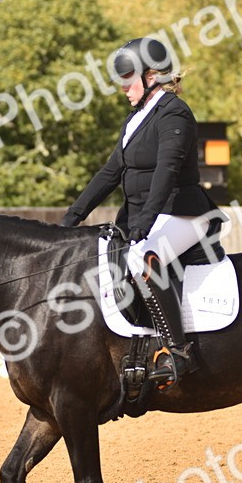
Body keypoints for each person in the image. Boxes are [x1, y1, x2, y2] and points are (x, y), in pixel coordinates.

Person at [60, 37, 217, 389]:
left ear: (151, 77)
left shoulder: (175, 112)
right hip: (145, 216)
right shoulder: (135, 119)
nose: (121, 87)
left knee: (145, 258)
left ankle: (179, 352)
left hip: (182, 214)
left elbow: (167, 170)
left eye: (127, 77)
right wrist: (72, 218)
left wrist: (144, 222)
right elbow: (109, 173)